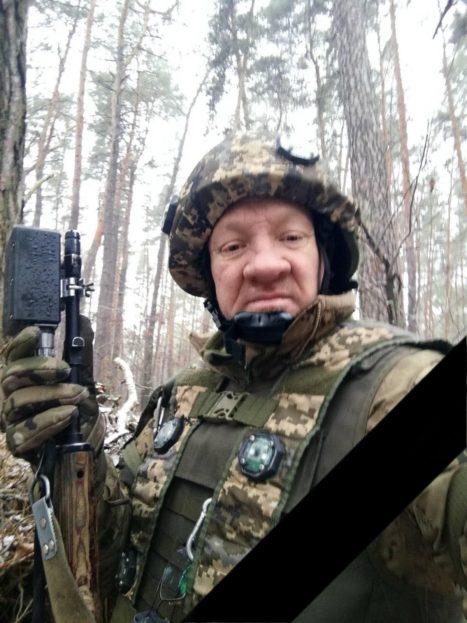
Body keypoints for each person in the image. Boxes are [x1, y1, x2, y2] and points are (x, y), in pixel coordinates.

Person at [1, 132, 466, 623]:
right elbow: (115, 551)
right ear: (210, 273)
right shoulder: (183, 395)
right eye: (234, 245)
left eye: (291, 237)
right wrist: (74, 447)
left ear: (324, 256)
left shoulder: (396, 384)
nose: (264, 265)